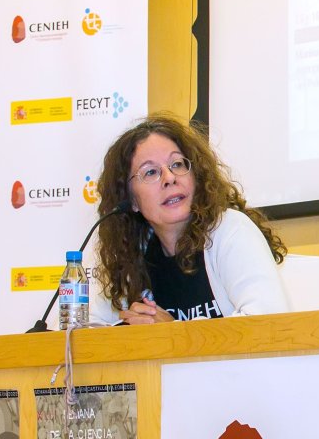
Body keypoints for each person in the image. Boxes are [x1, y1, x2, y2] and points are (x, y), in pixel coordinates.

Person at [90, 114, 289, 324]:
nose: (169, 178)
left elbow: (268, 323)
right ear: (131, 200)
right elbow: (88, 331)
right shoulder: (133, 253)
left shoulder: (230, 230)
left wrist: (171, 333)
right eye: (150, 172)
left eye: (177, 164)